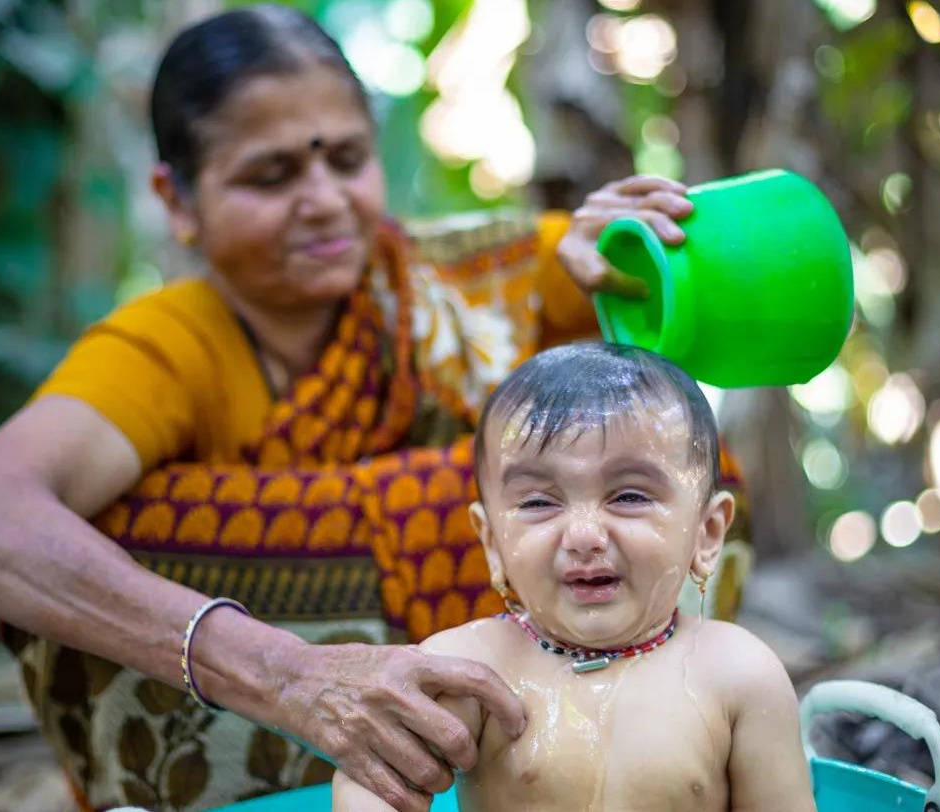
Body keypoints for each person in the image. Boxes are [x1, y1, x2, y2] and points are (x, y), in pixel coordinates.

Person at [0, 6, 744, 812]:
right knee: (111, 533)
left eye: (346, 160)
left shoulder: (486, 276)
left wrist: (652, 263)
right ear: (175, 201)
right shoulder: (168, 346)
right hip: (248, 770)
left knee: (655, 471)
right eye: (271, 175)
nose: (324, 201)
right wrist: (291, 675)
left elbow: (732, 322)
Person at [333, 343, 812, 811]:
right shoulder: (469, 670)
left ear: (707, 534)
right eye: (539, 503)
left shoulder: (738, 675)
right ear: (493, 543)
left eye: (629, 496)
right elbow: (368, 777)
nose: (584, 536)